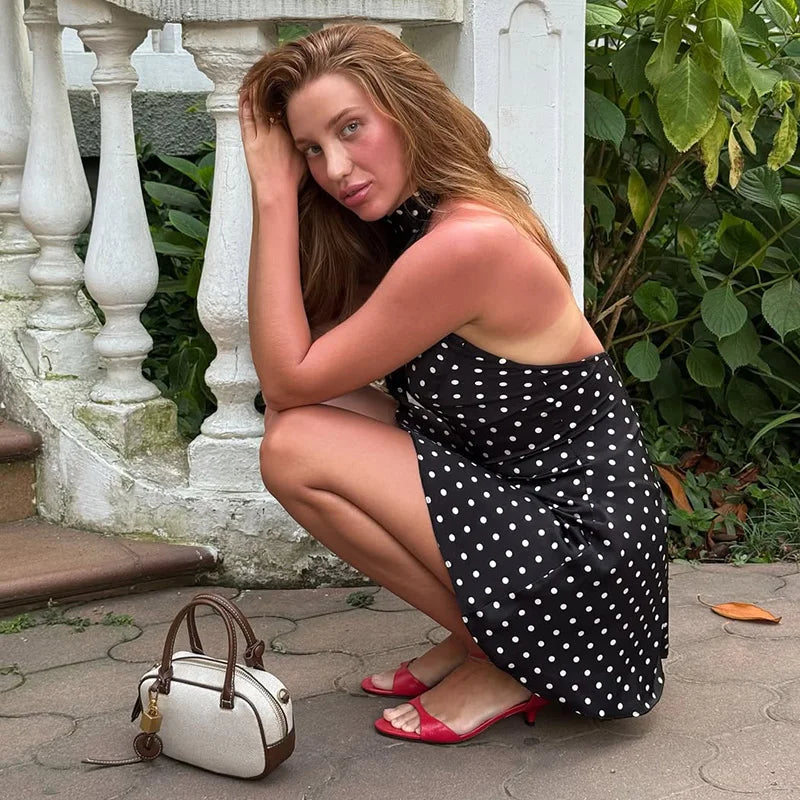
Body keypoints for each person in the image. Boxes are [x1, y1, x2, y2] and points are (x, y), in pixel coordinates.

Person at [237, 22, 669, 745]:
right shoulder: (417, 217)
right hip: (543, 519)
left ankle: (514, 662)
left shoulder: (465, 242)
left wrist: (274, 196)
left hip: (587, 562)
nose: (336, 168)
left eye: (352, 129)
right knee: (312, 416)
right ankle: (489, 641)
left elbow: (286, 378)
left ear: (407, 110)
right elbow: (302, 373)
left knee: (295, 446)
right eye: (310, 149)